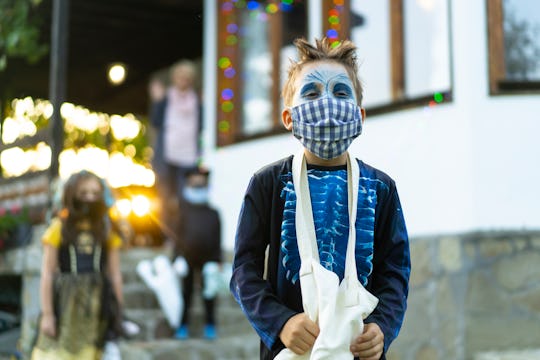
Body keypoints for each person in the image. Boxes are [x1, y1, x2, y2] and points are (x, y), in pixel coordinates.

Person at [230, 38, 411, 360]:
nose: (327, 102)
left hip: (358, 349)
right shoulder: (267, 184)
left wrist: (382, 327)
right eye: (311, 93)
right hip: (292, 348)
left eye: (341, 93)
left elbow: (394, 271)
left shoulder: (382, 188)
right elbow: (244, 270)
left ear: (359, 114)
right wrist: (280, 322)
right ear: (289, 117)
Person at [31, 171, 124, 360]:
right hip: (66, 302)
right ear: (71, 195)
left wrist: (119, 311)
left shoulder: (106, 231)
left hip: (98, 303)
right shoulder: (59, 228)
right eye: (83, 193)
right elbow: (48, 273)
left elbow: (114, 274)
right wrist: (48, 314)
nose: (89, 198)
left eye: (94, 193)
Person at [172, 168, 222, 340]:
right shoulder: (182, 212)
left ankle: (210, 324)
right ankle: (183, 325)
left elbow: (217, 239)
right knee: (186, 293)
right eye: (194, 182)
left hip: (208, 259)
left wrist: (217, 261)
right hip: (187, 259)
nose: (198, 185)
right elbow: (176, 237)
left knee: (209, 293)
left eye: (201, 182)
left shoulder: (213, 213)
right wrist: (176, 258)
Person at [148, 60, 202, 207]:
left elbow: (201, 127)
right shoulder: (166, 98)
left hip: (188, 156)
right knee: (165, 199)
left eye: (187, 76)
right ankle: (166, 229)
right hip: (166, 156)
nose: (183, 80)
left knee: (185, 199)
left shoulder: (197, 101)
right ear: (174, 77)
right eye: (180, 76)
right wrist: (157, 102)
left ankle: (182, 230)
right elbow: (155, 122)